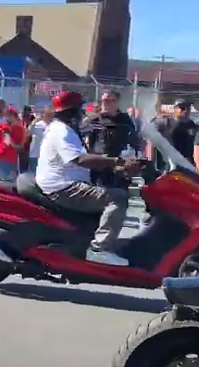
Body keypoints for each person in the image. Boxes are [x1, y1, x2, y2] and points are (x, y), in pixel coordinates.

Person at [35, 91, 138, 266]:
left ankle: (83, 244)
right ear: (70, 111)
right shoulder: (61, 131)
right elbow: (80, 160)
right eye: (78, 109)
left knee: (108, 192)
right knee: (117, 198)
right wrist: (115, 161)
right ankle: (100, 249)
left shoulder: (64, 129)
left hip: (68, 182)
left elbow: (85, 156)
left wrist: (117, 167)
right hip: (63, 186)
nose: (81, 112)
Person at [83, 90, 139, 187]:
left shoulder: (124, 120)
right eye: (103, 100)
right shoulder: (95, 119)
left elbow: (133, 140)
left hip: (117, 162)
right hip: (97, 162)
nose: (104, 104)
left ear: (116, 102)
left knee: (118, 193)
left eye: (108, 101)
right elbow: (83, 133)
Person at [149, 99, 197, 171]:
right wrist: (151, 161)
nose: (185, 111)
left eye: (188, 108)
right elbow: (151, 138)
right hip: (167, 163)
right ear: (175, 109)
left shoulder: (192, 125)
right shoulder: (165, 122)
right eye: (182, 108)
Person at [0, 107, 26, 180]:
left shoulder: (20, 129)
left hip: (12, 162)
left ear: (14, 116)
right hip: (0, 160)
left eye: (9, 115)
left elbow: (20, 148)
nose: (7, 117)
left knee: (10, 183)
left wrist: (9, 137)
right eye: (6, 115)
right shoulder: (0, 127)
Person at [27, 107, 53, 172]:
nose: (50, 116)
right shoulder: (38, 124)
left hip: (46, 156)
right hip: (35, 155)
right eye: (48, 114)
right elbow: (29, 131)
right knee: (33, 175)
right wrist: (35, 120)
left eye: (51, 114)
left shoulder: (53, 125)